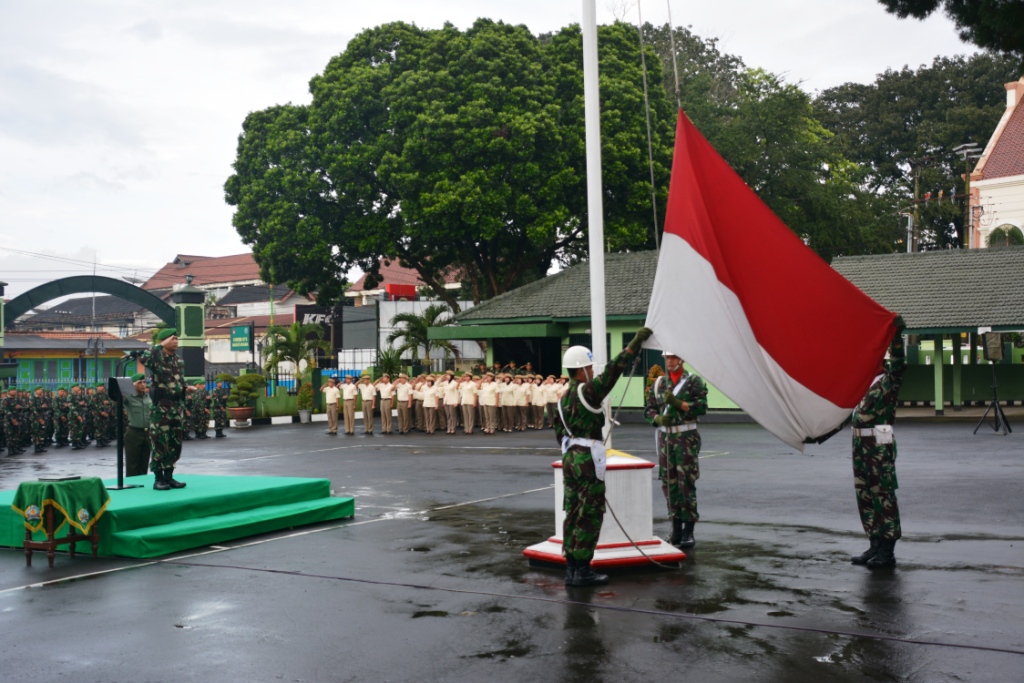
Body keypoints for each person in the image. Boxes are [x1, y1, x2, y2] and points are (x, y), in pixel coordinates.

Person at [557, 327, 653, 587]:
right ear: (581, 370)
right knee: (590, 514)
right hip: (587, 459)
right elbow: (613, 371)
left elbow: (559, 433)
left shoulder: (562, 399)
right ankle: (583, 570)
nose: (592, 372)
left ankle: (572, 568)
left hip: (570, 459)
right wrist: (633, 345)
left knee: (573, 512)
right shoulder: (586, 392)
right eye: (589, 368)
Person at [850, 317, 907, 570]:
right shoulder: (862, 384)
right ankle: (874, 543)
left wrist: (895, 334)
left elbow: (898, 361)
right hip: (859, 443)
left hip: (880, 438)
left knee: (882, 493)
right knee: (864, 494)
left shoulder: (889, 380)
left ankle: (888, 549)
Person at [644, 351, 708, 549]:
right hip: (666, 439)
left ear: (682, 358)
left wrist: (678, 403)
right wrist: (657, 419)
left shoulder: (693, 382)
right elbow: (649, 408)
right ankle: (676, 529)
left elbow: (702, 407)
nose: (669, 360)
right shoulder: (659, 384)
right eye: (667, 357)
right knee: (669, 483)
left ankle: (689, 530)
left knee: (685, 483)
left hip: (685, 439)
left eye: (673, 357)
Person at [139, 328, 195, 491]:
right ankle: (158, 478)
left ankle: (169, 476)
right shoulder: (156, 358)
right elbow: (143, 358)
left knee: (175, 442)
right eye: (172, 339)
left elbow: (178, 381)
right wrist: (158, 345)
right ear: (164, 342)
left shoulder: (178, 360)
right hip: (160, 408)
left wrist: (186, 388)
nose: (176, 342)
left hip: (176, 407)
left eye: (177, 339)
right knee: (159, 442)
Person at [123, 373, 152, 477]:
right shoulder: (128, 397)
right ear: (133, 385)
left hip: (147, 433)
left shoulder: (148, 397)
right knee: (132, 463)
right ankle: (132, 485)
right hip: (134, 433)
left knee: (144, 462)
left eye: (144, 382)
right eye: (139, 383)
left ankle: (142, 484)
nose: (143, 385)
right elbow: (116, 398)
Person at [30, 386, 49, 454]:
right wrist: (39, 418)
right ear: (36, 391)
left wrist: (45, 407)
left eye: (41, 389)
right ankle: (36, 447)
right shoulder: (33, 399)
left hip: (43, 417)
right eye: (39, 390)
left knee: (42, 432)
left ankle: (41, 446)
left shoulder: (43, 399)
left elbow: (47, 407)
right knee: (36, 432)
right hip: (36, 419)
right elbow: (33, 409)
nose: (41, 391)